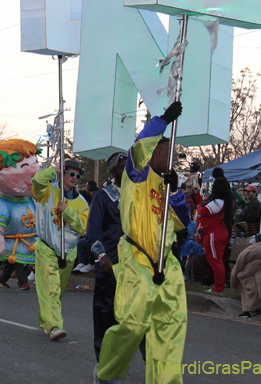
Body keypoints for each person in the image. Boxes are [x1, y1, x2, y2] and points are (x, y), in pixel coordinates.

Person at [95, 101, 188, 384]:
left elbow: (182, 222)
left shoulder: (167, 184)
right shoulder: (136, 176)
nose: (173, 158)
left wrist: (174, 191)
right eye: (169, 153)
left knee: (170, 328)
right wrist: (162, 121)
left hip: (167, 264)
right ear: (157, 151)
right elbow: (138, 149)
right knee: (133, 324)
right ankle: (107, 372)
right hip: (136, 260)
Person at [84, 151, 143, 362]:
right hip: (110, 264)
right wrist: (101, 256)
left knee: (141, 314)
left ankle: (152, 360)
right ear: (112, 170)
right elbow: (93, 230)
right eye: (121, 167)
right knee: (105, 315)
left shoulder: (139, 194)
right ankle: (105, 363)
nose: (126, 171)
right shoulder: (103, 196)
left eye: (130, 167)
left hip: (137, 266)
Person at [31, 158, 89, 341]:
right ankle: (54, 325)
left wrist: (68, 211)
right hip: (47, 248)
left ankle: (45, 321)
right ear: (63, 173)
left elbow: (83, 227)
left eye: (77, 175)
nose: (74, 178)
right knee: (51, 288)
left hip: (68, 253)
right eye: (71, 174)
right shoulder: (48, 192)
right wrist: (53, 170)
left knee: (57, 291)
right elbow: (37, 181)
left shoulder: (81, 202)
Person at [0, 139, 40, 291]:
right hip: (13, 240)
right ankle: (22, 282)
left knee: (12, 261)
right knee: (18, 260)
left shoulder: (29, 199)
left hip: (31, 240)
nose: (33, 171)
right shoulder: (2, 203)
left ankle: (3, 278)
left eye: (34, 163)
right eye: (25, 166)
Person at [195, 175, 233, 293]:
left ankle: (218, 287)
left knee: (216, 262)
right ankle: (218, 285)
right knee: (217, 261)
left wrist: (200, 205)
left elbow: (203, 210)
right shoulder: (223, 202)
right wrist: (197, 195)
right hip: (219, 233)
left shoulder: (218, 202)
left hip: (213, 234)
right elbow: (203, 204)